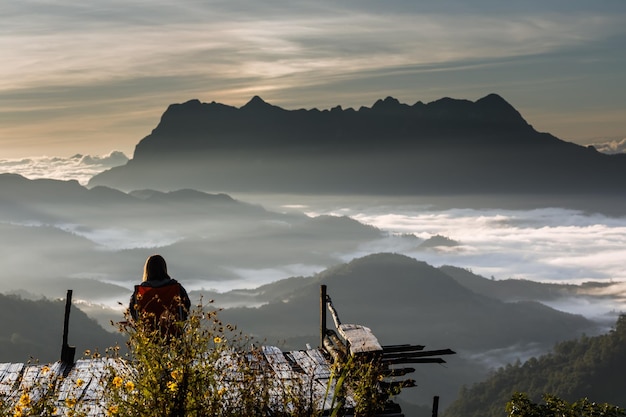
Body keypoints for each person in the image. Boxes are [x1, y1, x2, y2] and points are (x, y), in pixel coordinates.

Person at [129, 254, 191, 335]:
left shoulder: (141, 292)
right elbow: (185, 308)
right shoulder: (176, 288)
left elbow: (134, 312)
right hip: (173, 336)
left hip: (148, 337)